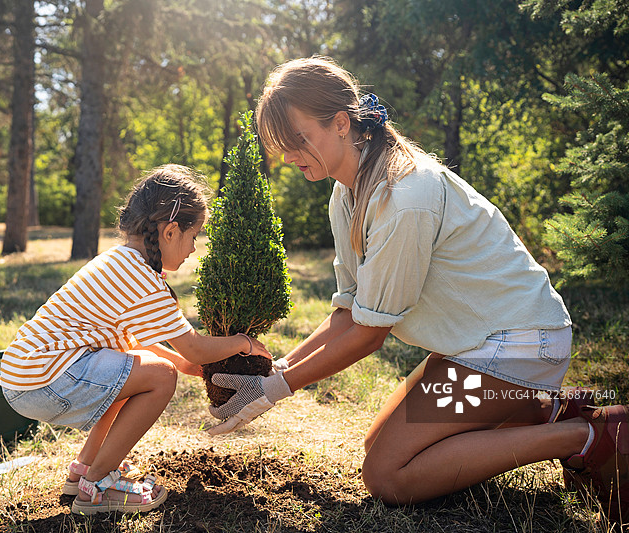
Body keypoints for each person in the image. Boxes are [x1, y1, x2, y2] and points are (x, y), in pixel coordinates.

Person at [207, 56, 629, 519]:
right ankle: (548, 412)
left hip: (518, 346)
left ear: (342, 123)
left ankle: (587, 436)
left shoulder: (403, 198)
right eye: (280, 147)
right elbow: (349, 312)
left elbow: (369, 335)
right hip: (471, 346)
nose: (287, 157)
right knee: (378, 445)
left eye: (298, 141)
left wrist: (277, 388)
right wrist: (278, 369)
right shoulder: (346, 192)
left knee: (389, 474)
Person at [0, 164, 271, 515]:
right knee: (160, 377)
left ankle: (84, 469)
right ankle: (97, 486)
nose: (193, 249)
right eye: (194, 235)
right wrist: (243, 343)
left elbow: (166, 354)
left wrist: (205, 371)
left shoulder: (121, 262)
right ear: (171, 231)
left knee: (129, 376)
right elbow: (193, 348)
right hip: (45, 378)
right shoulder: (141, 278)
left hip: (27, 376)